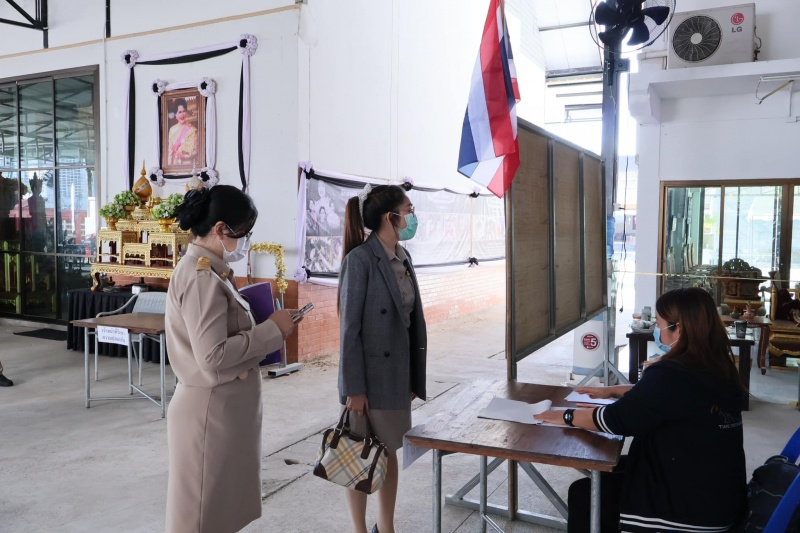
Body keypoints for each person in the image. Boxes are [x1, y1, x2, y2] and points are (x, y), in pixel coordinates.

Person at [535, 287, 746, 533]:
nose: (656, 329)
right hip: (718, 497)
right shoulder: (717, 366)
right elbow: (672, 397)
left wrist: (565, 415)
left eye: (659, 324)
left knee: (585, 493)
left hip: (686, 509)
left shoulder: (672, 373)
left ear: (679, 329)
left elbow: (617, 420)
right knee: (617, 466)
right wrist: (615, 391)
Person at [164, 185, 300, 533]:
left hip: (223, 409)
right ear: (220, 229)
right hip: (209, 411)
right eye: (242, 233)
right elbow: (213, 355)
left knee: (219, 514)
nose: (245, 242)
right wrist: (272, 330)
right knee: (200, 518)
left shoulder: (212, 270)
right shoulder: (200, 276)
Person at [338, 184, 427, 533]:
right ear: (390, 217)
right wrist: (354, 388)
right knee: (358, 455)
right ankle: (359, 529)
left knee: (388, 454)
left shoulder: (403, 257)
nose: (413, 217)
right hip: (367, 380)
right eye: (409, 210)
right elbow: (349, 331)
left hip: (395, 377)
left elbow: (411, 325)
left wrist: (413, 378)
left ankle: (385, 527)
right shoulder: (360, 260)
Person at [167, 98, 198, 166]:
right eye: (180, 112)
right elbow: (170, 153)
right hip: (175, 164)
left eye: (184, 111)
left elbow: (196, 151)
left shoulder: (192, 130)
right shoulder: (172, 130)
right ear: (176, 114)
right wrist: (169, 167)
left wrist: (184, 156)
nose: (182, 114)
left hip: (187, 164)